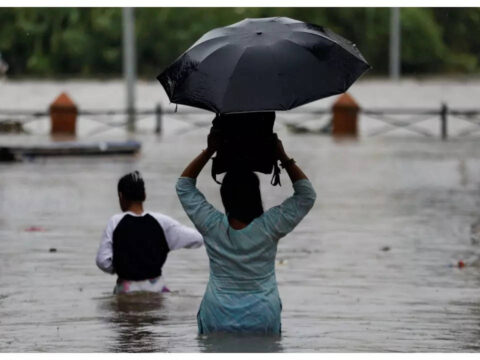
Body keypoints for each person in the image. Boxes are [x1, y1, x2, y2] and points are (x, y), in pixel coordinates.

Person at [176, 132, 316, 334]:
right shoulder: (270, 226)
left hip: (218, 314)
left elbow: (184, 186)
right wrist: (283, 157)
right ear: (255, 196)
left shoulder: (212, 225)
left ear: (225, 197)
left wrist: (209, 151)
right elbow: (307, 195)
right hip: (262, 314)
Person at [96, 171, 203, 294]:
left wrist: (121, 267)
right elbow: (198, 238)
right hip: (156, 289)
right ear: (144, 195)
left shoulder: (115, 222)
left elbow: (102, 261)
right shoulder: (162, 222)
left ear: (121, 196)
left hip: (126, 289)